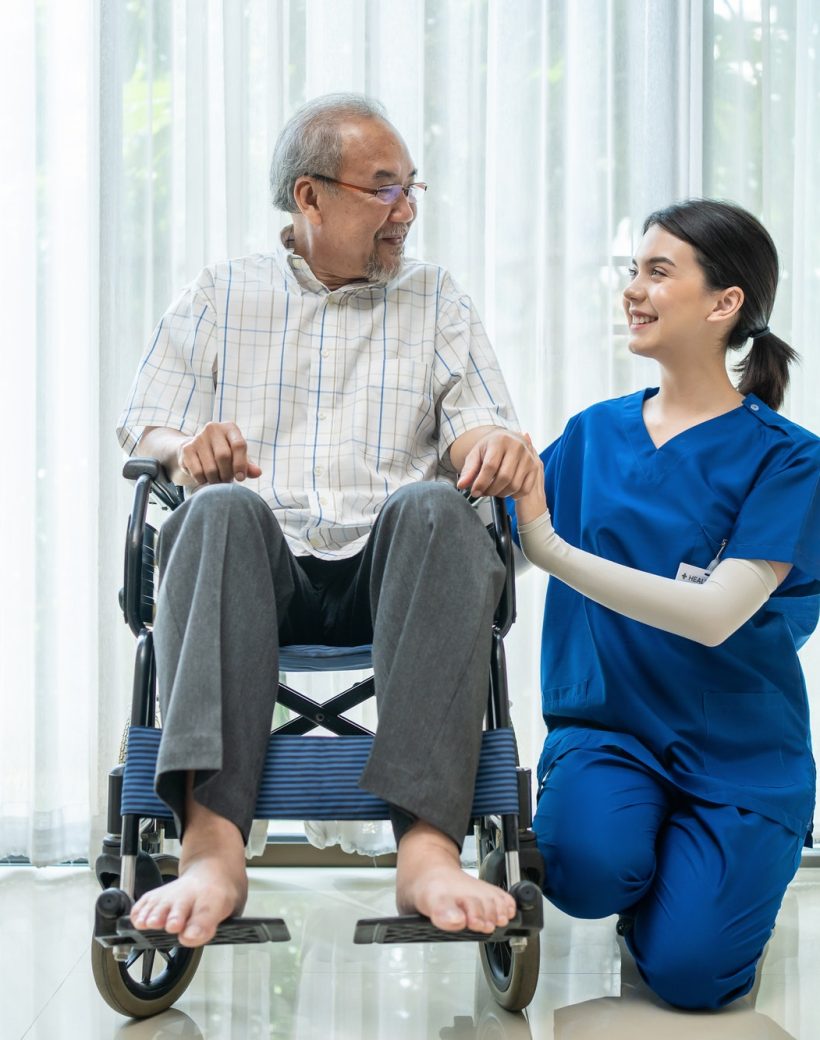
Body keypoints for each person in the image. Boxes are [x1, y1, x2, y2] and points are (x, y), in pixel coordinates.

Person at [116, 93, 538, 948]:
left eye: (412, 188)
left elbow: (479, 424)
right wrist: (186, 446)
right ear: (311, 197)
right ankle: (212, 847)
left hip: (397, 576)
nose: (407, 210)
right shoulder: (220, 292)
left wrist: (494, 444)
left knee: (438, 505)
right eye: (385, 189)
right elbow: (144, 424)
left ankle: (425, 848)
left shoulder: (436, 299)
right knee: (218, 508)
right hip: (257, 569)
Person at [511, 198, 820, 1010]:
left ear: (725, 304)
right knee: (581, 872)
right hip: (612, 734)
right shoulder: (591, 435)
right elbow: (494, 543)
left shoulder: (787, 459)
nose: (632, 290)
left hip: (740, 753)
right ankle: (664, 865)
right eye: (631, 271)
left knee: (691, 979)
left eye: (657, 272)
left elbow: (717, 614)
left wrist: (555, 553)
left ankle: (717, 881)